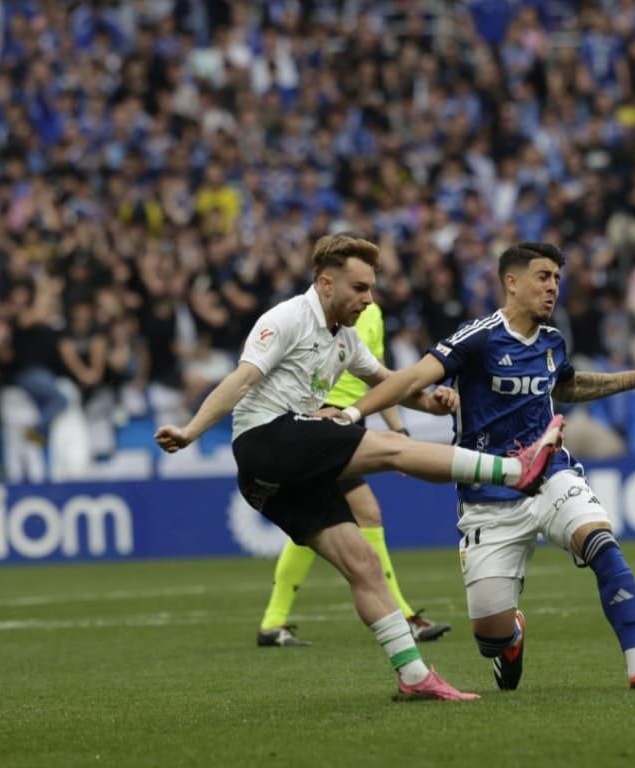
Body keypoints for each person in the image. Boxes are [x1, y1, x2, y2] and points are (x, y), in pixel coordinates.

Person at [155, 233, 565, 701]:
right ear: (326, 284)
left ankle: (413, 677)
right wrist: (191, 430)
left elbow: (390, 382)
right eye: (359, 288)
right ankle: (515, 471)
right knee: (390, 448)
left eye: (371, 288)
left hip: (271, 479)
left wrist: (430, 403)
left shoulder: (346, 338)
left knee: (363, 564)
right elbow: (240, 379)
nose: (368, 299)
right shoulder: (287, 318)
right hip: (266, 439)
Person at [334, 242, 635, 691]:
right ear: (511, 283)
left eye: (557, 278)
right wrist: (352, 414)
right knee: (489, 637)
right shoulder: (477, 337)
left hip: (549, 475)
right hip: (487, 495)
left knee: (601, 543)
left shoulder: (553, 342)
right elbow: (411, 380)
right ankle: (510, 636)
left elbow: (570, 388)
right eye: (543, 277)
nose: (553, 286)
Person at [257, 300, 450, 647]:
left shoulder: (372, 315)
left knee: (319, 521)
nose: (365, 293)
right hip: (320, 425)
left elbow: (378, 379)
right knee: (364, 513)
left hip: (345, 426)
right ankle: (403, 615)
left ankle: (273, 621)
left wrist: (399, 430)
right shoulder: (316, 315)